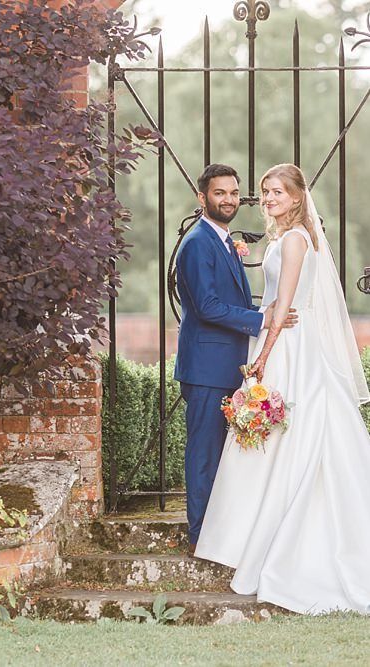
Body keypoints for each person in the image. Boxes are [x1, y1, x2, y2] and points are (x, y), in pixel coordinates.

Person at [195, 163, 370, 614]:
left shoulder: (294, 240)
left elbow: (286, 307)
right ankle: (247, 533)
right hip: (281, 336)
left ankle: (276, 540)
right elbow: (273, 304)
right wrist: (266, 323)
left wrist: (262, 358)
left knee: (289, 434)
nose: (268, 198)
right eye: (265, 191)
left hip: (290, 346)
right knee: (272, 438)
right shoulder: (287, 238)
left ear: (296, 197)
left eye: (277, 192)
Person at [174, 163, 298, 555]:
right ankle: (199, 536)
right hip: (206, 368)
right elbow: (208, 306)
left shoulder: (224, 240)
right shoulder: (197, 243)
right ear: (202, 198)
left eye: (232, 193)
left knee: (228, 457)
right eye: (219, 193)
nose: (228, 200)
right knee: (205, 452)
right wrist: (262, 319)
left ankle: (222, 534)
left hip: (228, 364)